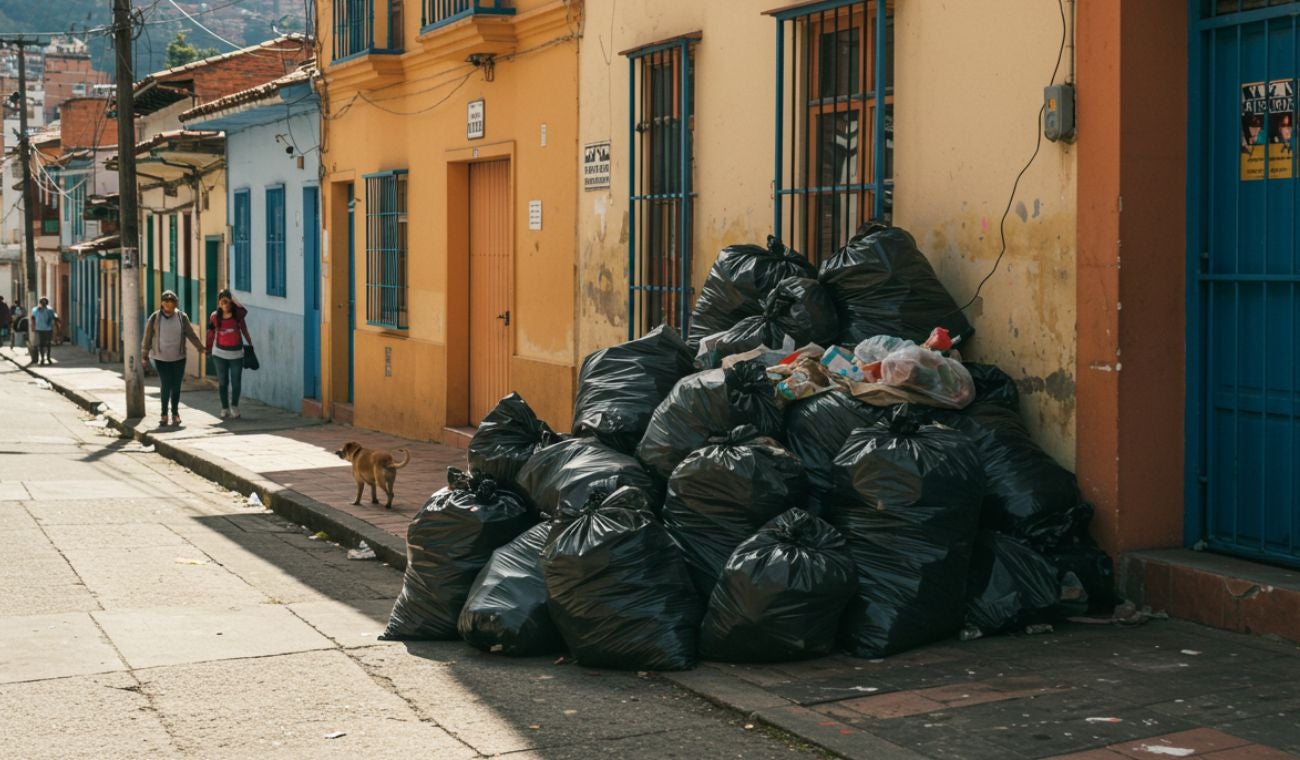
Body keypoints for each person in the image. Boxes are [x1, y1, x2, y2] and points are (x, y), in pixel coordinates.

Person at [141, 290, 205, 426]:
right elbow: (147, 337)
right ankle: (164, 414)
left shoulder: (182, 317)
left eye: (171, 302)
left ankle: (175, 413)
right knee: (166, 384)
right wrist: (144, 355)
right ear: (162, 303)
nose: (168, 304)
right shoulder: (155, 317)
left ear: (175, 303)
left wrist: (200, 347)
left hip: (179, 357)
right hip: (161, 357)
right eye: (166, 301)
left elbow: (190, 334)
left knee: (176, 386)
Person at [205, 289, 252, 419]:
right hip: (219, 354)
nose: (225, 305)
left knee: (236, 382)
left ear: (231, 303)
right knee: (223, 382)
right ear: (219, 303)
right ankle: (224, 407)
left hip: (236, 354)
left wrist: (250, 345)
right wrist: (208, 348)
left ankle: (235, 406)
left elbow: (245, 329)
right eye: (222, 302)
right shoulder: (215, 316)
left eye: (227, 302)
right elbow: (210, 333)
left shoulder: (238, 317)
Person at [31, 297, 60, 365]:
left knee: (48, 344)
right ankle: (42, 358)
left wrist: (57, 321)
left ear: (47, 303)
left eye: (45, 302)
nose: (43, 304)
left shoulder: (49, 310)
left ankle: (48, 357)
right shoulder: (35, 310)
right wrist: (33, 327)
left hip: (48, 329)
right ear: (40, 303)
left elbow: (53, 317)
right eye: (42, 302)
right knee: (41, 344)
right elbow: (33, 318)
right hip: (39, 329)